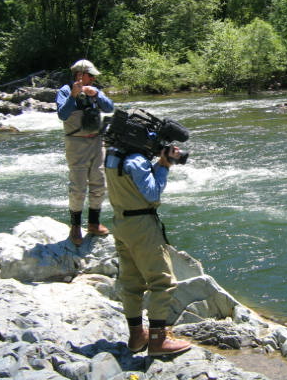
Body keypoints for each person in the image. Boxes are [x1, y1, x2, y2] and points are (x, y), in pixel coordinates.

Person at [105, 144, 192, 357]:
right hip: (142, 226)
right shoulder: (137, 160)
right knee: (161, 282)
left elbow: (134, 185)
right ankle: (157, 340)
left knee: (131, 282)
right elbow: (152, 194)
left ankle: (136, 337)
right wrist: (163, 165)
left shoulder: (113, 155)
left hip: (121, 222)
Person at [56, 59, 115, 245]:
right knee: (78, 186)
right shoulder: (64, 92)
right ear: (79, 75)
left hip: (97, 142)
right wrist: (73, 96)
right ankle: (75, 227)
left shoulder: (95, 91)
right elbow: (62, 115)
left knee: (99, 183)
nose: (94, 79)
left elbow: (110, 107)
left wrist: (97, 95)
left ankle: (94, 223)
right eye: (92, 76)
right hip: (76, 143)